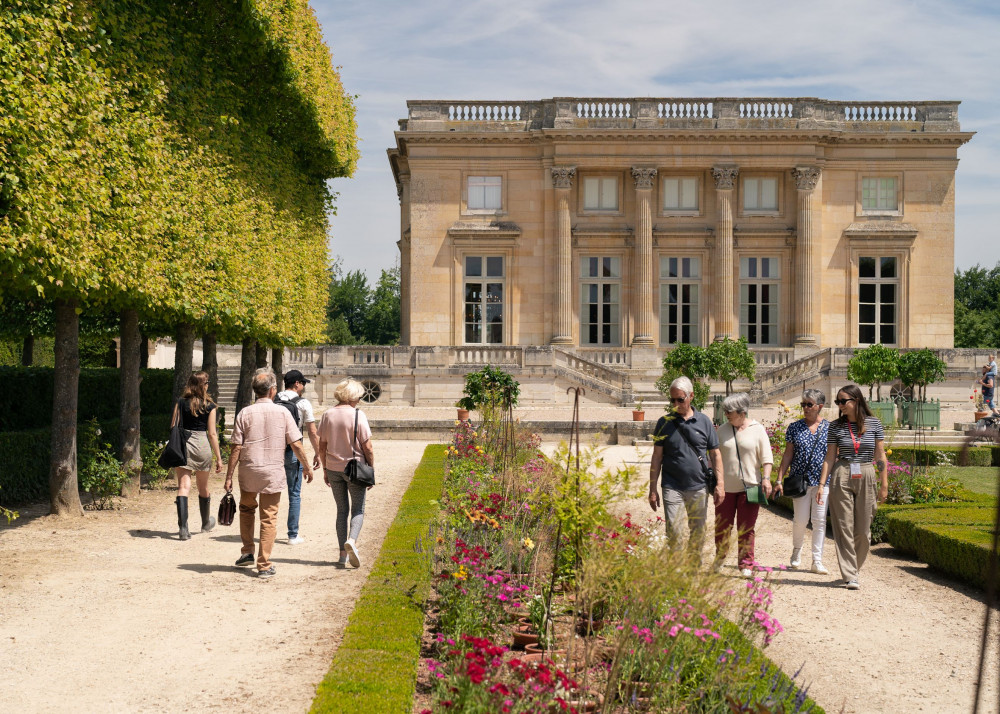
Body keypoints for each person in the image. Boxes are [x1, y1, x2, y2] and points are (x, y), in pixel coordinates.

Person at [224, 368, 313, 578]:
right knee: (269, 517)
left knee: (247, 510)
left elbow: (236, 447)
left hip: (249, 469)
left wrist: (229, 476)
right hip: (272, 470)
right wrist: (307, 467)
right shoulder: (282, 412)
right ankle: (263, 564)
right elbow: (297, 444)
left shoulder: (244, 413)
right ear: (273, 390)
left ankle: (247, 551)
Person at [816, 384, 888, 591]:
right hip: (842, 471)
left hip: (866, 472)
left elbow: (880, 455)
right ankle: (850, 574)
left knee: (864, 531)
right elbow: (830, 457)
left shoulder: (874, 424)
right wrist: (822, 484)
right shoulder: (836, 426)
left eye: (843, 401)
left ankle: (853, 567)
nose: (839, 405)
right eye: (838, 402)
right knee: (844, 526)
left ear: (856, 401)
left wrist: (884, 484)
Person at [648, 376, 724, 563]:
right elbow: (657, 457)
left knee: (698, 530)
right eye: (672, 400)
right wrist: (652, 488)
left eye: (680, 400)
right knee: (673, 530)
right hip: (671, 485)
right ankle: (676, 571)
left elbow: (715, 454)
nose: (676, 404)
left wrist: (720, 484)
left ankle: (693, 565)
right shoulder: (663, 423)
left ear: (691, 396)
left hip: (698, 486)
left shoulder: (704, 421)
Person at [317, 379, 375, 568]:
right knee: (357, 509)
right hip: (355, 469)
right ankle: (352, 540)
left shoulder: (327, 415)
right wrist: (371, 469)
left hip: (333, 468)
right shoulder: (358, 414)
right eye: (358, 395)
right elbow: (368, 447)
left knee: (341, 510)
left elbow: (322, 445)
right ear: (352, 396)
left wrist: (325, 469)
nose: (359, 399)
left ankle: (342, 554)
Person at [714, 393, 773, 577]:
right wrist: (717, 482)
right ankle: (720, 558)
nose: (726, 414)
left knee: (746, 528)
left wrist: (766, 478)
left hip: (750, 487)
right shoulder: (721, 430)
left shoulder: (758, 429)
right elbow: (714, 458)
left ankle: (746, 563)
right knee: (722, 527)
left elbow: (767, 457)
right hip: (726, 488)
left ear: (741, 412)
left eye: (729, 411)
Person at [774, 389, 831, 573]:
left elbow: (831, 457)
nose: (805, 408)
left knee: (819, 521)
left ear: (819, 406)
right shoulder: (794, 427)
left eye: (809, 404)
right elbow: (788, 454)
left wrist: (825, 482)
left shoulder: (829, 428)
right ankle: (797, 551)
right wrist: (779, 478)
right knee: (800, 520)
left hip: (822, 482)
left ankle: (817, 560)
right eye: (803, 404)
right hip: (800, 481)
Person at [169, 371, 224, 540]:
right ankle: (206, 522)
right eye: (207, 383)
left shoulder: (180, 402)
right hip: (201, 444)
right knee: (203, 488)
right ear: (203, 385)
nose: (208, 385)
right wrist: (219, 458)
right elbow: (212, 434)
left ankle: (183, 529)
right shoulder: (210, 405)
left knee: (183, 487)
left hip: (184, 445)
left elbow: (173, 426)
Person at [275, 369, 321, 545]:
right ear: (296, 384)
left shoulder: (275, 399)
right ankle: (292, 535)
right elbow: (312, 431)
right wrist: (318, 453)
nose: (303, 386)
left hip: (274, 450)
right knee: (294, 493)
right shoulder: (303, 404)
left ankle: (267, 530)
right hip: (293, 450)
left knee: (270, 492)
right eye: (302, 383)